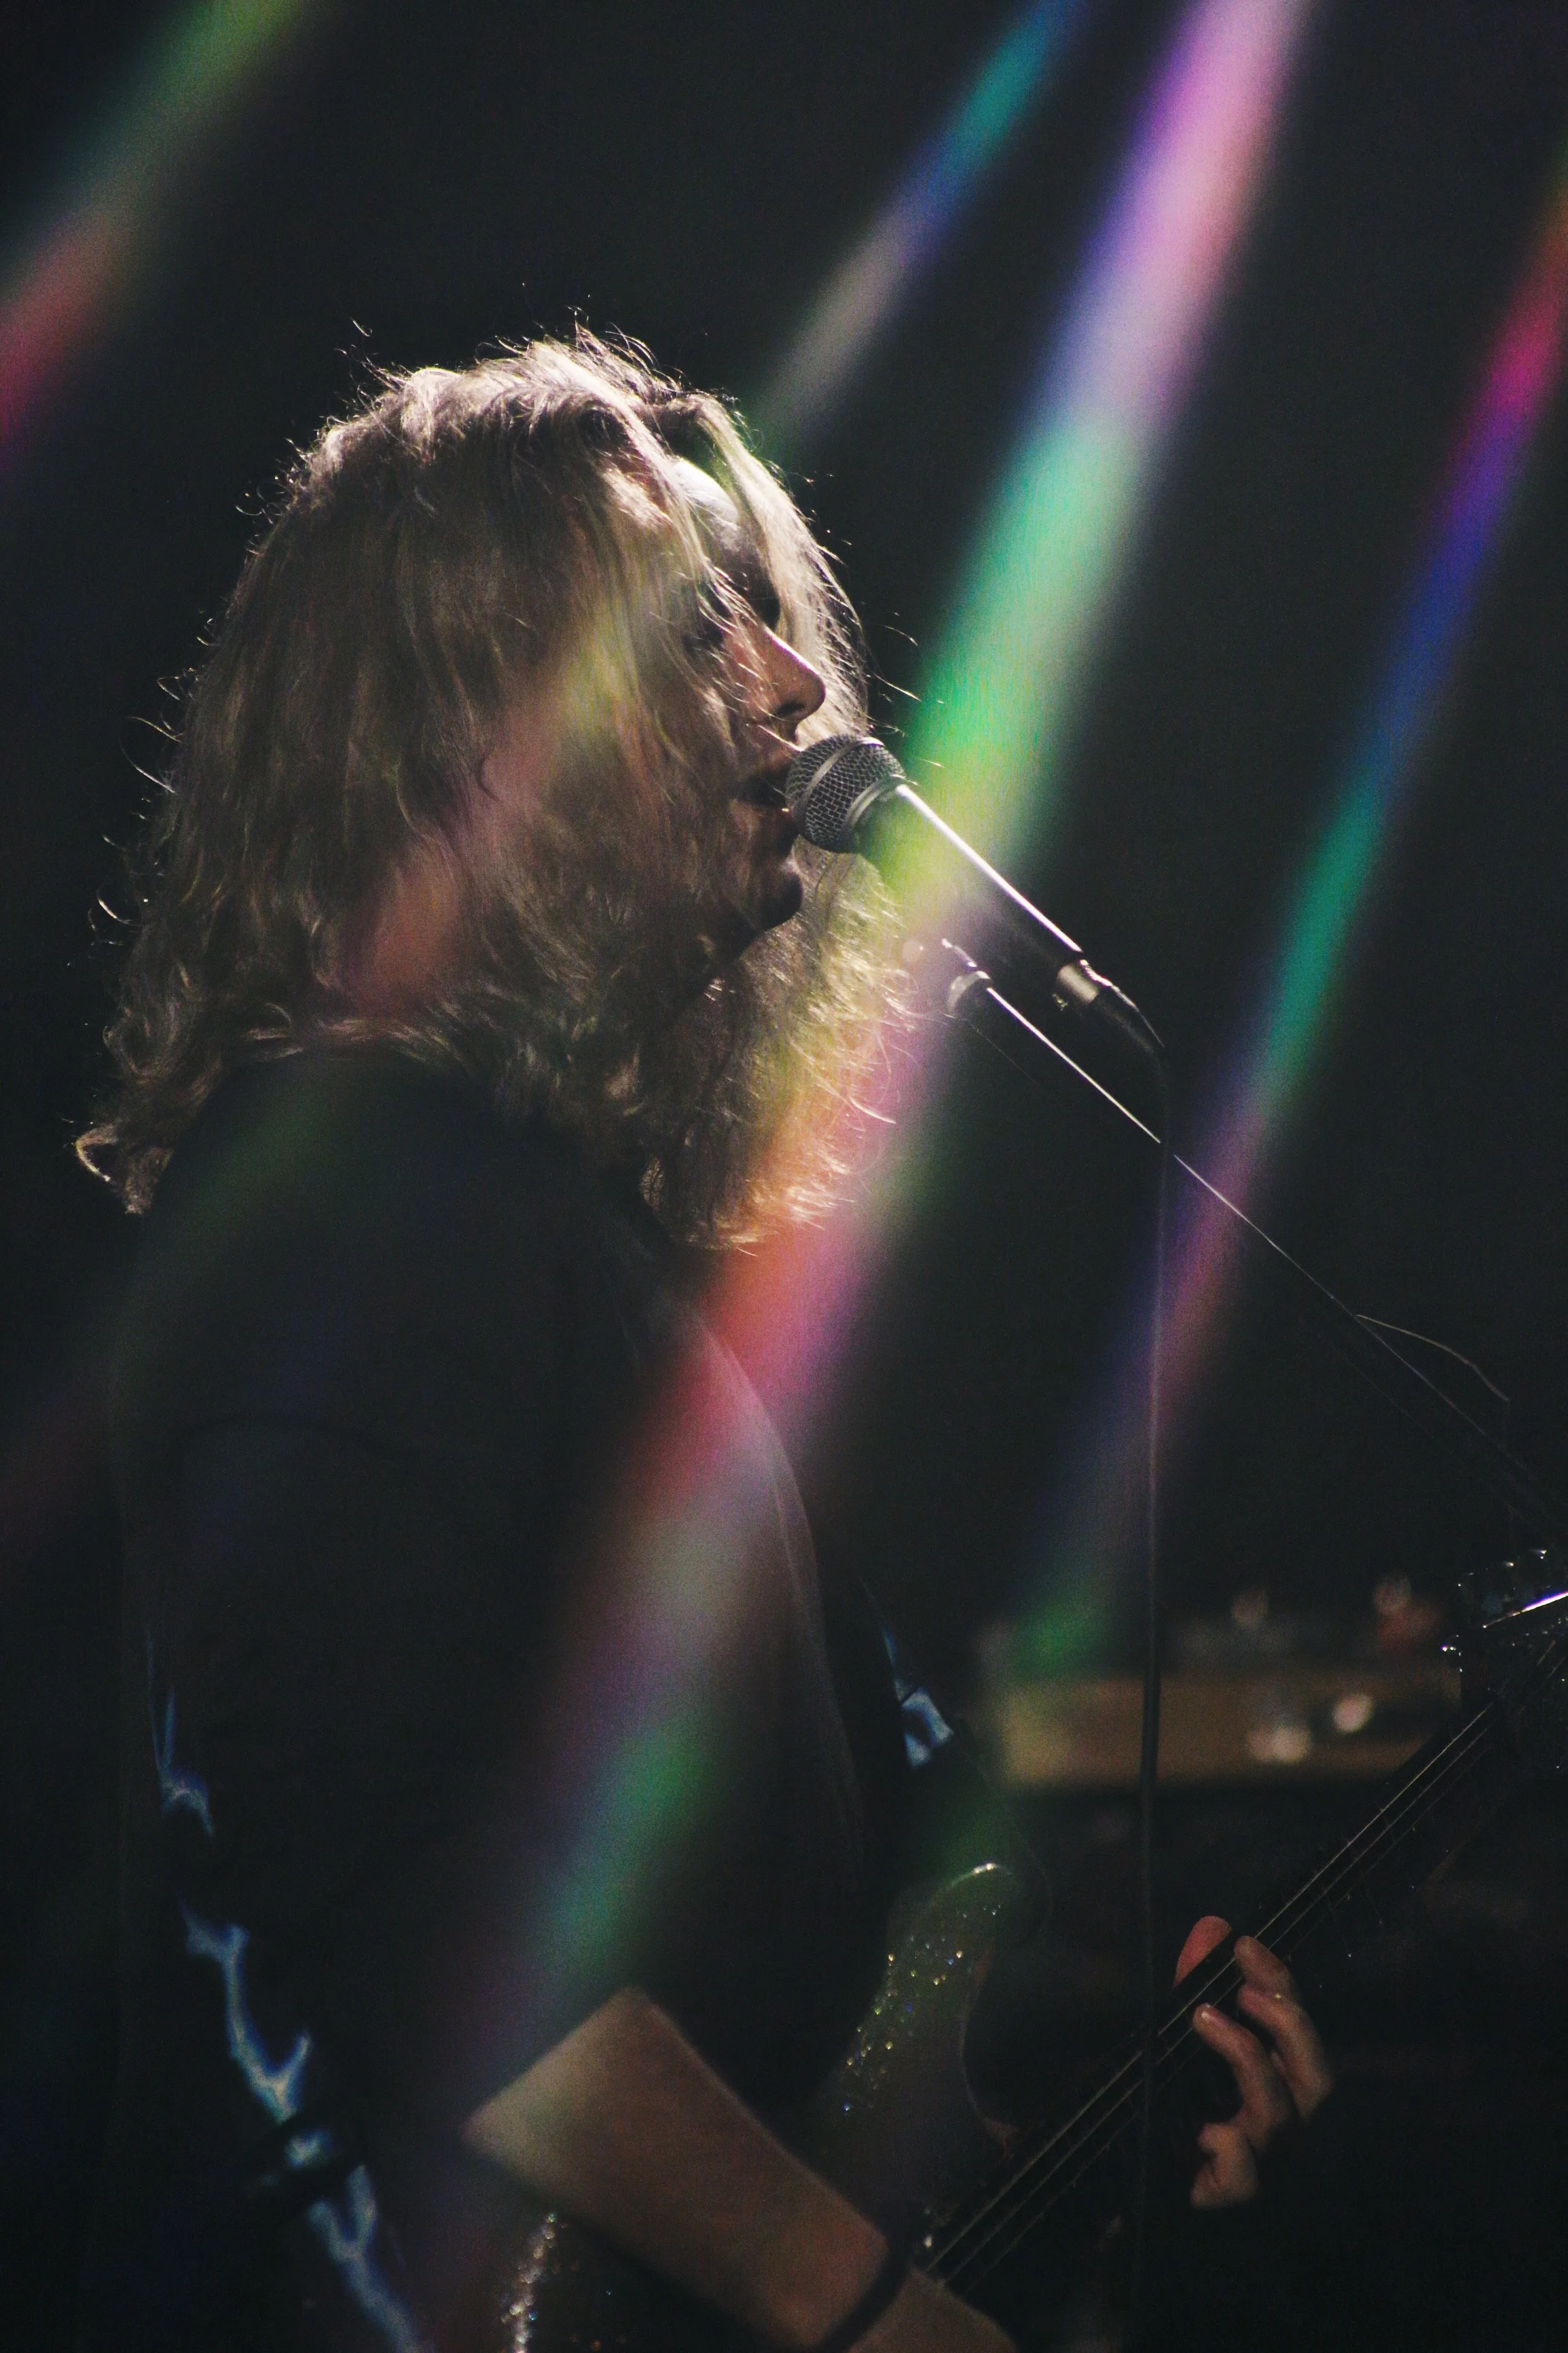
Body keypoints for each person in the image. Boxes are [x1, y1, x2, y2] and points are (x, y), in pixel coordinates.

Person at [74, 337, 1330, 2352]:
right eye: (695, 629)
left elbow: (756, 1917)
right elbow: (385, 1894)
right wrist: (854, 2307)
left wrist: (1075, 2058)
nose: (794, 686)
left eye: (769, 616)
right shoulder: (344, 1199)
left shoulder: (541, 1218)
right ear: (481, 725)